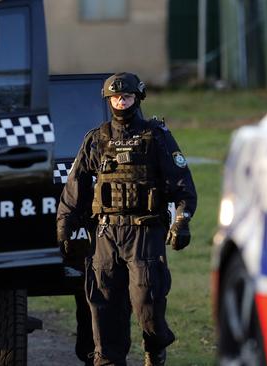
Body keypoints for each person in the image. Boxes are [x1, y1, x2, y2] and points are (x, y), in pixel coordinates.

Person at [56, 72, 197, 365]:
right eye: (116, 97)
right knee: (104, 308)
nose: (122, 101)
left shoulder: (156, 137)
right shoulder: (96, 139)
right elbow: (76, 186)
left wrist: (181, 221)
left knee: (147, 304)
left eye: (128, 96)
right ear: (108, 100)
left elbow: (182, 184)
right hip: (106, 236)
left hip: (144, 235)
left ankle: (155, 346)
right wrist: (65, 228)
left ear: (138, 97)